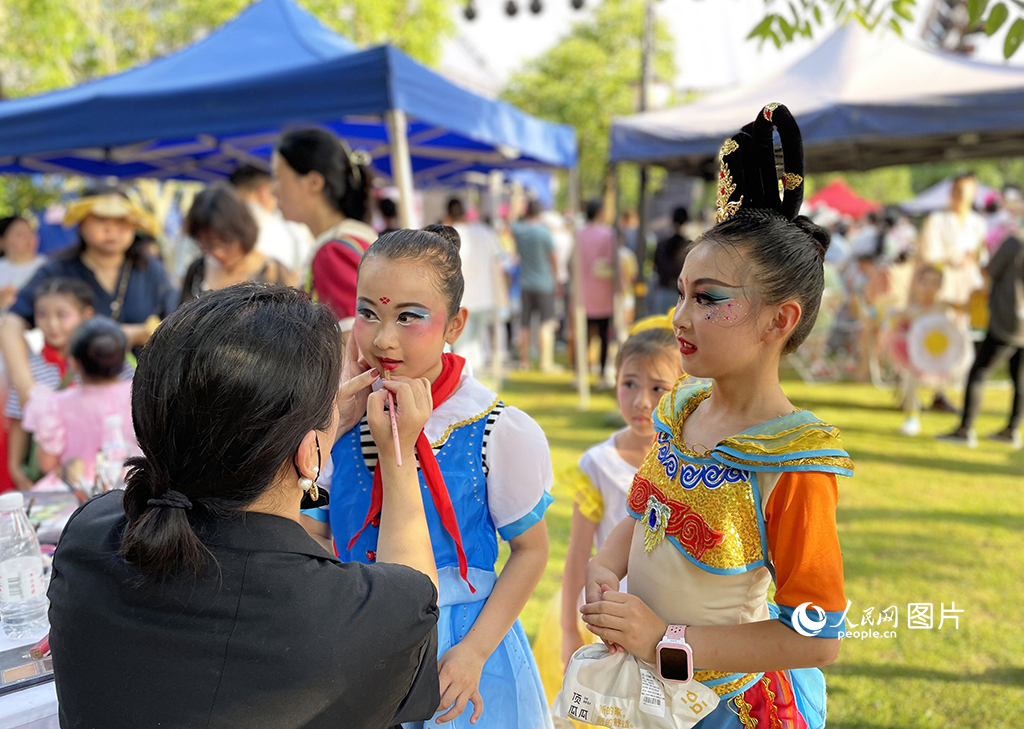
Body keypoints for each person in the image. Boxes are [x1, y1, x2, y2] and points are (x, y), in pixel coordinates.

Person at [562, 105, 852, 729]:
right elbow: (644, 514)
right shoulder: (681, 411)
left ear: (780, 320)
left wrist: (667, 641)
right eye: (682, 294)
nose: (680, 318)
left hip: (723, 706)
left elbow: (817, 637)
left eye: (708, 299)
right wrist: (604, 568)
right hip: (644, 689)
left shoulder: (794, 463)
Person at [48, 283, 442, 728]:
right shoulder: (354, 615)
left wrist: (318, 433)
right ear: (308, 450)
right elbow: (415, 595)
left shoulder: (90, 536)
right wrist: (397, 453)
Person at [304, 227, 554, 729]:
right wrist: (331, 428)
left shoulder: (495, 429)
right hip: (355, 645)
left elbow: (531, 550)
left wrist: (475, 653)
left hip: (461, 655)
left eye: (409, 317)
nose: (383, 338)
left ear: (455, 324)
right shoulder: (340, 415)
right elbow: (311, 532)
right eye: (368, 312)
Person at [532, 324, 683, 709]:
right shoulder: (596, 464)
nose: (641, 401)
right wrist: (569, 628)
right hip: (607, 616)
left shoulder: (687, 463)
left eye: (657, 388)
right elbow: (579, 552)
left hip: (667, 615)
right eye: (629, 384)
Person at [0, 187, 175, 408]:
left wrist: (140, 334)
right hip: (70, 398)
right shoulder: (56, 270)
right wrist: (26, 388)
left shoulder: (151, 270)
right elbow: (11, 323)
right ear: (81, 223)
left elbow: (176, 323)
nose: (112, 229)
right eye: (101, 219)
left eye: (122, 221)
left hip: (141, 398)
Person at [273, 128, 377, 334]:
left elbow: (350, 345)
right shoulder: (352, 240)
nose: (273, 190)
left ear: (314, 183)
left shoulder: (334, 252)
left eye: (279, 177)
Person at [5, 279, 96, 492]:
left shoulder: (99, 363)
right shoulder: (30, 366)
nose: (52, 324)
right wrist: (16, 468)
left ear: (86, 316)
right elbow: (19, 418)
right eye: (42, 315)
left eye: (62, 315)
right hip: (49, 477)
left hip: (92, 468)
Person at [22, 317, 139, 481]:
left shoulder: (56, 404)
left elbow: (46, 464)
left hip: (76, 492)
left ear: (74, 362)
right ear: (123, 357)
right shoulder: (139, 395)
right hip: (133, 486)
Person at [939, 231, 1024, 449]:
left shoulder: (1015, 242)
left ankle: (965, 429)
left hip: (1007, 319)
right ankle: (1011, 430)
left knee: (979, 372)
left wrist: (972, 260)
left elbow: (989, 272)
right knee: (1019, 378)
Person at [916, 173, 987, 412]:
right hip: (941, 287)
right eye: (956, 191)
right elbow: (928, 254)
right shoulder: (937, 220)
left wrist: (972, 261)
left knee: (961, 339)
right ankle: (922, 391)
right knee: (933, 337)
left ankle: (945, 391)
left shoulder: (977, 223)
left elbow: (981, 255)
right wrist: (952, 260)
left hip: (967, 288)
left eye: (964, 191)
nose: (959, 196)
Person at [180, 185, 297, 305]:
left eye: (226, 242)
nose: (218, 253)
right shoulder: (197, 271)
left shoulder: (271, 271)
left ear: (241, 232)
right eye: (207, 246)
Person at [446, 198, 504, 375]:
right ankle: (475, 384)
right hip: (485, 297)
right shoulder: (484, 231)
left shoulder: (451, 236)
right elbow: (498, 262)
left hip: (461, 300)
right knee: (475, 344)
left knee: (464, 347)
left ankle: (470, 387)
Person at [229, 164, 315, 272]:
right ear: (263, 192)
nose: (276, 196)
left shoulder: (222, 219)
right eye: (273, 190)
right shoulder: (278, 224)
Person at [511, 200, 558, 371]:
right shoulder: (545, 233)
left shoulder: (519, 231)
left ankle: (524, 361)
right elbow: (553, 258)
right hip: (544, 283)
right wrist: (557, 278)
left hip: (525, 283)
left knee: (525, 323)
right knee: (546, 323)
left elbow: (512, 221)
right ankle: (546, 362)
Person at [577, 199, 617, 385]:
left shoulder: (578, 233)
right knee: (603, 335)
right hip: (603, 290)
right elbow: (611, 261)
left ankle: (580, 372)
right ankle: (601, 373)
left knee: (584, 334)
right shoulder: (608, 234)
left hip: (583, 290)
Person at [651, 206, 691, 315]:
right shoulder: (689, 247)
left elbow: (656, 267)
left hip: (663, 292)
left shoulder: (661, 244)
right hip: (682, 296)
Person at [0, 216, 45, 311]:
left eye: (30, 232)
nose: (28, 238)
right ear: (2, 241)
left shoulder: (49, 266)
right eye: (19, 234)